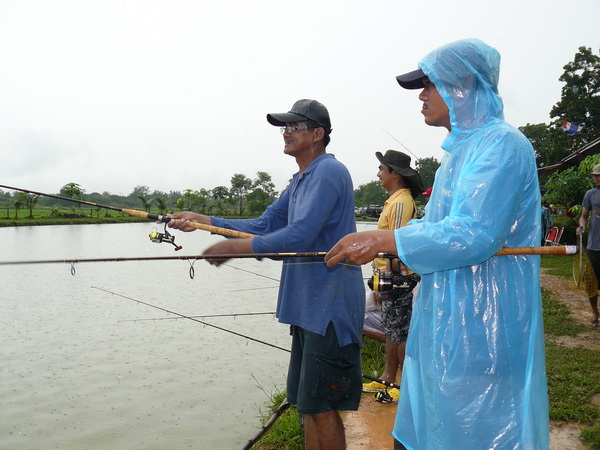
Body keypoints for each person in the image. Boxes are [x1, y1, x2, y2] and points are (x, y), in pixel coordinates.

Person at [325, 39, 549, 449]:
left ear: (465, 86)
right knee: (422, 430)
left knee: (476, 428)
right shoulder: (456, 155)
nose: (422, 96)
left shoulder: (502, 144)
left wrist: (382, 238)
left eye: (430, 85)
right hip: (442, 316)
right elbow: (439, 230)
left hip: (485, 325)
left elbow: (473, 234)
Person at [166, 99, 365, 450]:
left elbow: (300, 234)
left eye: (293, 127)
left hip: (329, 310)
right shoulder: (300, 180)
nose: (285, 133)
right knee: (308, 407)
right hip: (307, 309)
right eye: (283, 128)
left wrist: (237, 249)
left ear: (317, 134)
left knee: (323, 408)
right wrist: (206, 222)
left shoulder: (330, 172)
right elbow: (266, 224)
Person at [361, 150, 423, 402]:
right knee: (392, 331)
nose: (378, 174)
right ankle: (387, 378)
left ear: (394, 173)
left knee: (400, 334)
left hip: (397, 278)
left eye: (381, 169)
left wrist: (386, 283)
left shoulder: (400, 203)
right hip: (389, 276)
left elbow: (396, 246)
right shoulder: (394, 201)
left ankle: (405, 386)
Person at [578, 163, 600, 327]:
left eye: (598, 175)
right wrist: (581, 226)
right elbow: (584, 216)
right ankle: (595, 312)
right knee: (591, 283)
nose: (596, 178)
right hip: (593, 246)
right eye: (595, 175)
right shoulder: (590, 194)